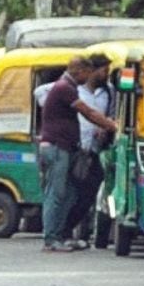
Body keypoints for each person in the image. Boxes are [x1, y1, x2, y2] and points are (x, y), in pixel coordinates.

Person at [39, 57, 117, 253]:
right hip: (57, 147)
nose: (88, 77)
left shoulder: (69, 87)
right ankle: (50, 238)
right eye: (87, 73)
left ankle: (61, 234)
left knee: (71, 192)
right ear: (79, 70)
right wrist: (112, 125)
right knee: (56, 193)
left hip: (67, 148)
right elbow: (88, 112)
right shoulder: (64, 88)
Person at [60, 53, 116, 249]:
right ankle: (64, 231)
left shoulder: (108, 91)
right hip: (76, 147)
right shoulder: (72, 89)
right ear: (92, 71)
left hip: (95, 150)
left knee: (89, 193)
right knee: (71, 192)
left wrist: (106, 127)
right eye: (104, 71)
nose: (106, 75)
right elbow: (41, 94)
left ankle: (72, 229)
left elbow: (111, 114)